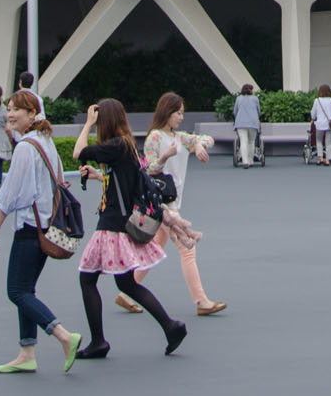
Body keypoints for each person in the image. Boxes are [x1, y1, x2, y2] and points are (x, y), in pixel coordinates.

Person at [71, 99, 186, 358]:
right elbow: (126, 181)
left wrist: (88, 123)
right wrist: (99, 175)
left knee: (87, 278)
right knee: (126, 284)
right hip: (120, 222)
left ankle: (99, 341)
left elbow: (78, 152)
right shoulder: (126, 145)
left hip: (111, 225)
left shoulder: (115, 146)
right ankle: (170, 326)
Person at [0, 89, 82, 373]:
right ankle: (27, 353)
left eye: (17, 109)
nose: (10, 114)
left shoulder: (27, 147)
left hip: (30, 226)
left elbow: (12, 193)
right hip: (46, 225)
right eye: (10, 108)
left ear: (32, 114)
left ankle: (64, 336)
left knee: (16, 291)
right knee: (26, 289)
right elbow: (61, 178)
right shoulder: (46, 141)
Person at [135, 92, 224, 316]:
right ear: (167, 112)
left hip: (172, 202)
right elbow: (148, 169)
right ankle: (201, 301)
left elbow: (206, 139)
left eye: (182, 113)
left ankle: (127, 290)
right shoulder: (155, 137)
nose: (181, 117)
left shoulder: (178, 137)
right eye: (178, 113)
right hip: (162, 205)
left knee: (154, 248)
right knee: (187, 249)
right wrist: (165, 157)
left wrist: (200, 146)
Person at [232, 84, 262, 168]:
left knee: (243, 141)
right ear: (250, 90)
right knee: (251, 142)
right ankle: (250, 160)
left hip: (241, 123)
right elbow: (258, 111)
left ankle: (245, 162)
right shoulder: (255, 99)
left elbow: (235, 111)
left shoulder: (238, 98)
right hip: (253, 123)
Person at [311, 83, 331, 165]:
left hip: (319, 124)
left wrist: (313, 118)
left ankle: (320, 158)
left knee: (319, 141)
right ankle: (328, 160)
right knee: (328, 143)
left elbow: (313, 113)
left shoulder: (317, 101)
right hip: (329, 125)